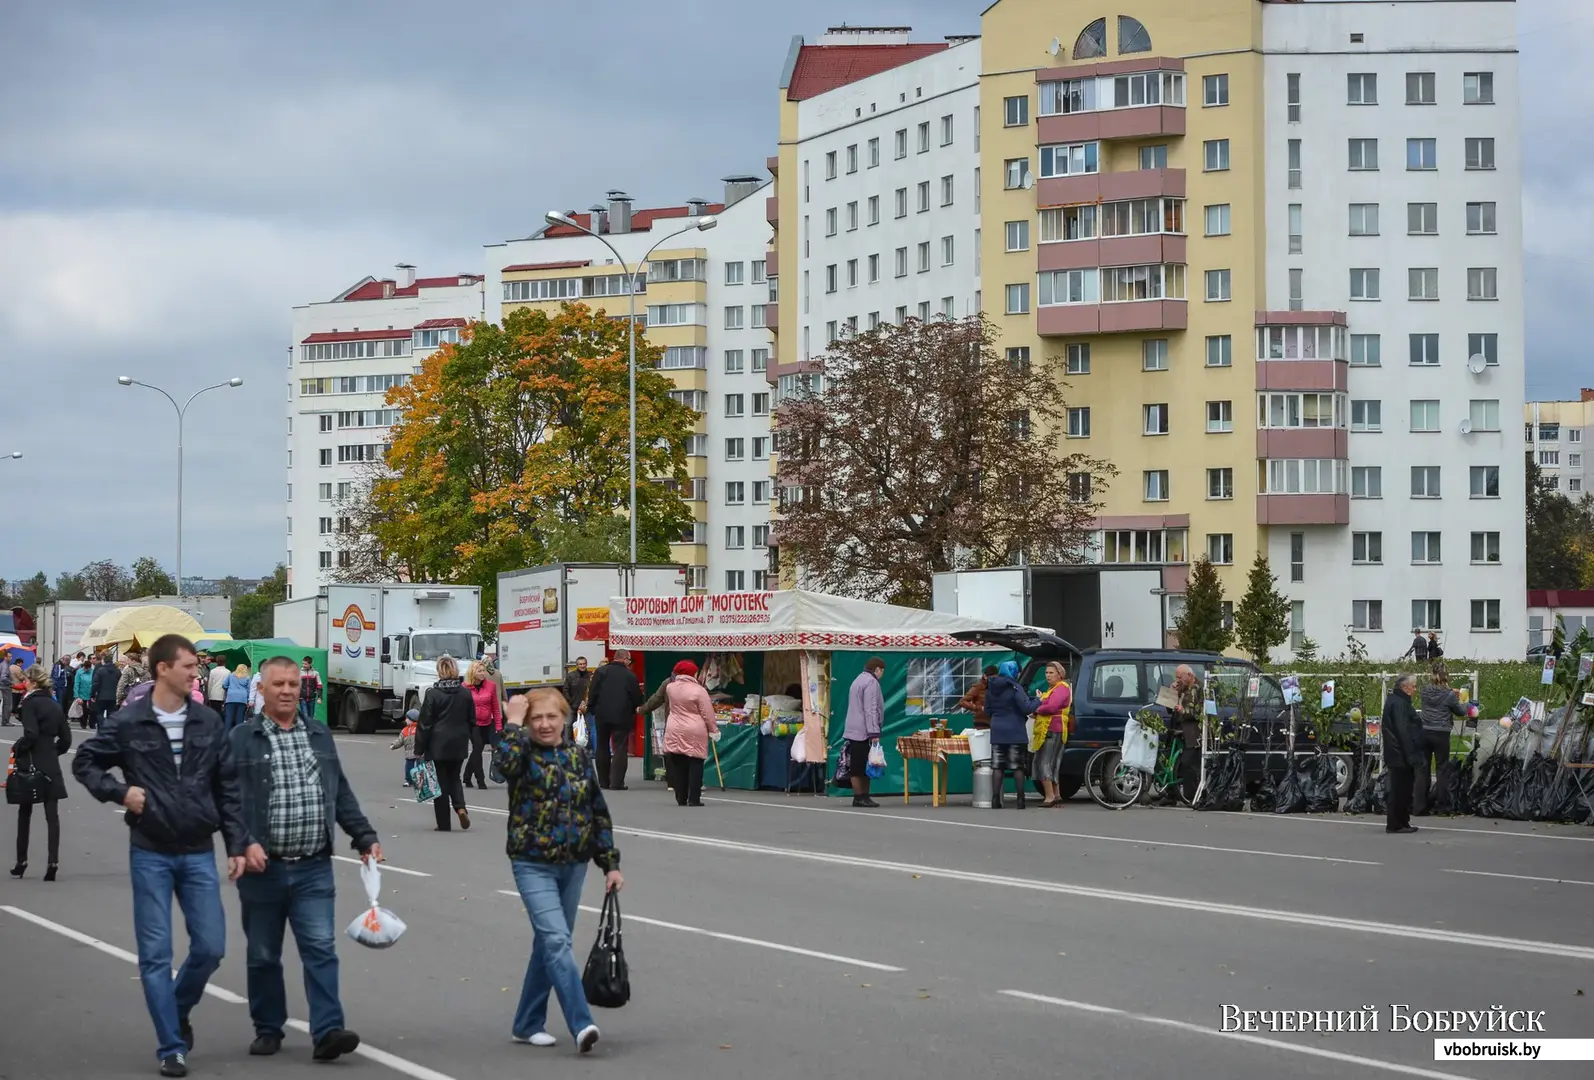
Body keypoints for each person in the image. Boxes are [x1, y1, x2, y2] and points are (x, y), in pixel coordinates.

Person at [73, 633, 252, 1078]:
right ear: (163, 669)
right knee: (155, 954)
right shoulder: (131, 721)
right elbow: (86, 762)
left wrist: (235, 845)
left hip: (196, 850)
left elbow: (226, 787)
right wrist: (119, 791)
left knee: (210, 948)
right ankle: (171, 1046)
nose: (197, 673)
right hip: (150, 850)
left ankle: (175, 1008)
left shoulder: (207, 723)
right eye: (190, 667)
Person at [228, 655, 377, 1061]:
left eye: (293, 684)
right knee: (263, 954)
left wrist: (364, 836)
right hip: (263, 869)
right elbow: (226, 799)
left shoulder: (318, 733)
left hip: (313, 865)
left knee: (320, 948)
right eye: (279, 684)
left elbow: (339, 789)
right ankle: (268, 1027)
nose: (288, 690)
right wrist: (242, 843)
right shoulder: (242, 738)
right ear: (261, 689)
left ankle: (328, 1030)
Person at [495, 687, 622, 1055]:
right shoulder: (521, 753)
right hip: (532, 862)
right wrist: (514, 723)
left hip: (574, 864)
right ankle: (582, 1024)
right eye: (537, 718)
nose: (545, 724)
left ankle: (526, 1023)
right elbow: (502, 767)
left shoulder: (578, 757)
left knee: (549, 944)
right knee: (556, 941)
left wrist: (609, 864)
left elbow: (596, 810)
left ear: (565, 719)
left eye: (552, 717)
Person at [11, 665, 72, 880]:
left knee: (25, 811)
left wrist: (19, 747)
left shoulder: (29, 703)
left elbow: (31, 733)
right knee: (51, 816)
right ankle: (52, 861)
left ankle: (22, 861)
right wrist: (53, 752)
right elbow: (66, 739)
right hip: (50, 763)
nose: (24, 683)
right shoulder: (54, 704)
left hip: (32, 762)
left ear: (33, 683)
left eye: (26, 680)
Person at [416, 655, 474, 831]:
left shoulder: (433, 694)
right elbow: (472, 719)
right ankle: (461, 808)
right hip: (459, 743)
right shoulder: (465, 693)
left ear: (439, 672)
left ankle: (444, 824)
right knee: (455, 778)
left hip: (437, 745)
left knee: (439, 784)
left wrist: (419, 748)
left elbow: (425, 723)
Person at [660, 660, 719, 807]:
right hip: (694, 729)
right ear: (693, 673)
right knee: (696, 763)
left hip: (674, 727)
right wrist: (714, 730)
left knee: (679, 764)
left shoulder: (670, 688)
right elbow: (707, 713)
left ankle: (681, 797)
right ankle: (694, 798)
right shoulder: (699, 690)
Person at [984, 660, 1040, 809]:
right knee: (1017, 767)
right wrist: (1038, 700)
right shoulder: (1015, 687)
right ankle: (1020, 800)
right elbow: (1027, 708)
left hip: (997, 731)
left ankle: (995, 800)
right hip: (1015, 730)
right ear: (1013, 672)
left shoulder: (991, 688)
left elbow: (987, 710)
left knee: (997, 766)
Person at [585, 651, 642, 790]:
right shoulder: (630, 676)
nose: (629, 662)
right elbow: (636, 697)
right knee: (620, 747)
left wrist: (593, 709)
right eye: (629, 660)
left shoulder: (600, 672)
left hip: (602, 715)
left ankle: (603, 782)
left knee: (602, 746)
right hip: (622, 716)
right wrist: (635, 708)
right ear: (625, 659)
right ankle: (616, 783)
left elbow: (592, 693)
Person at [1415, 662, 1466, 816]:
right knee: (1442, 769)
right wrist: (1462, 700)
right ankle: (1442, 807)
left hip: (1424, 731)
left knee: (1422, 769)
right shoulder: (1449, 694)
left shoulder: (1424, 691)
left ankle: (1419, 806)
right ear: (1446, 676)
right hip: (1441, 733)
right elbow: (1460, 712)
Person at [1382, 673, 1425, 835]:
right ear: (1404, 687)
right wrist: (1410, 755)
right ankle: (1396, 823)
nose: (1414, 689)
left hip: (1397, 752)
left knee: (1402, 790)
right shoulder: (1399, 704)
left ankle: (1402, 821)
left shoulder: (1396, 700)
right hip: (1399, 753)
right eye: (1413, 686)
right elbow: (1403, 731)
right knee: (1400, 790)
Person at [843, 657, 886, 808]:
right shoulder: (872, 682)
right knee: (865, 766)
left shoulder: (858, 680)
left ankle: (858, 796)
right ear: (878, 669)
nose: (882, 675)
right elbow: (871, 709)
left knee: (856, 765)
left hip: (853, 729)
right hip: (864, 731)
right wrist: (874, 732)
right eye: (882, 671)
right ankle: (863, 796)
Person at [1032, 661, 1073, 808]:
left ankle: (1049, 797)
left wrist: (1037, 709)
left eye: (1051, 673)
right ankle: (1056, 795)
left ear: (1060, 674)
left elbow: (1052, 707)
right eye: (1046, 673)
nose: (1048, 676)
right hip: (1051, 729)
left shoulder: (1062, 688)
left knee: (1045, 762)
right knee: (1053, 762)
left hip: (1052, 729)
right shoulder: (1053, 688)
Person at [464, 660, 503, 790]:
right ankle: (481, 780)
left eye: (483, 671)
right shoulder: (465, 687)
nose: (482, 673)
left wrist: (498, 726)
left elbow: (495, 708)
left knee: (478, 750)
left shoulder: (490, 686)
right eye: (479, 671)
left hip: (487, 722)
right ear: (472, 672)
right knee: (477, 748)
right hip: (472, 724)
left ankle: (467, 775)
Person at [1171, 664, 1203, 803]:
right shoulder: (1180, 688)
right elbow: (1169, 708)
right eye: (1176, 678)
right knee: (1170, 761)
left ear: (1189, 676)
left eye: (1180, 678)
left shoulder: (1199, 690)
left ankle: (1191, 796)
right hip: (1177, 729)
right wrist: (1171, 693)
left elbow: (1200, 714)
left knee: (1188, 764)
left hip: (1192, 732)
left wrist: (1183, 711)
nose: (1178, 680)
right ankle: (1170, 794)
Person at [955, 665, 998, 731]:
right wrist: (978, 708)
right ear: (985, 676)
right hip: (981, 724)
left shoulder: (998, 687)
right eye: (991, 678)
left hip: (996, 724)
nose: (993, 680)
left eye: (995, 678)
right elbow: (962, 702)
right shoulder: (977, 687)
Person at [91, 651, 120, 730]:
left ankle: (102, 727)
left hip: (101, 696)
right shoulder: (117, 671)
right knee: (111, 713)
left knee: (99, 713)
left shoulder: (100, 670)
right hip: (113, 696)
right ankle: (110, 728)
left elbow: (95, 683)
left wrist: (92, 694)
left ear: (104, 660)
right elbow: (120, 683)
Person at [391, 709, 420, 787]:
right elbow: (400, 740)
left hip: (419, 752)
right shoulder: (405, 730)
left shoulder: (419, 729)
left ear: (412, 719)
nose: (406, 720)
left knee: (419, 767)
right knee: (408, 767)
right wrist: (394, 745)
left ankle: (419, 780)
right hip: (409, 752)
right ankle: (408, 780)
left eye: (407, 718)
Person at [562, 657, 593, 729]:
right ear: (577, 665)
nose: (582, 666)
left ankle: (585, 740)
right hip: (573, 706)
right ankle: (569, 740)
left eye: (584, 664)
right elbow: (565, 690)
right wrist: (571, 702)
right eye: (580, 664)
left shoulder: (590, 676)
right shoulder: (571, 676)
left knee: (586, 728)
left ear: (586, 664)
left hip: (586, 707)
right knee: (569, 726)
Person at [222, 664, 252, 730]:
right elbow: (249, 689)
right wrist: (248, 699)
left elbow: (224, 684)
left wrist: (229, 690)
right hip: (242, 699)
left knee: (229, 718)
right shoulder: (247, 677)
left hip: (231, 698)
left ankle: (226, 735)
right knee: (239, 718)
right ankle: (238, 735)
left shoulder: (231, 675)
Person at [73, 655, 96, 729]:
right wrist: (76, 695)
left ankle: (92, 723)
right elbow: (76, 683)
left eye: (88, 668)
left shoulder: (93, 672)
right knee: (83, 710)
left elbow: (95, 682)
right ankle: (83, 723)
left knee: (92, 710)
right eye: (86, 668)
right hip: (81, 694)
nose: (87, 670)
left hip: (90, 693)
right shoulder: (79, 672)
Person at [297, 657, 322, 723]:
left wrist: (319, 697)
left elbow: (319, 685)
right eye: (303, 663)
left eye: (305, 664)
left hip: (312, 698)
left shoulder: (315, 673)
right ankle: (306, 731)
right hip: (302, 698)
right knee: (305, 715)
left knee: (311, 716)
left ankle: (310, 731)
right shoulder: (299, 673)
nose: (303, 665)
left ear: (310, 664)